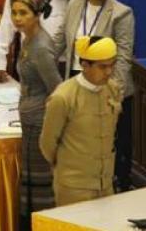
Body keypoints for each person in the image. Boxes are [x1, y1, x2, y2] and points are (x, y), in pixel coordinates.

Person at [53, 0, 135, 191]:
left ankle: (117, 186)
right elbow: (60, 39)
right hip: (77, 81)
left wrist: (113, 94)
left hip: (108, 88)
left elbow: (123, 58)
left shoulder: (121, 13)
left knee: (111, 144)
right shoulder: (75, 3)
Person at [40, 36, 123, 206]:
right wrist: (66, 167)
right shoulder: (63, 97)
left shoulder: (112, 89)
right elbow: (47, 144)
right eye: (102, 67)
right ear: (84, 65)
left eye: (112, 65)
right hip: (73, 187)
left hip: (106, 184)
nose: (109, 72)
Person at [10, 0, 62, 231]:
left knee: (42, 186)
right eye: (14, 13)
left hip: (41, 123)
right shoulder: (27, 38)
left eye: (23, 13)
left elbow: (57, 90)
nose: (17, 18)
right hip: (30, 120)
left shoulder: (41, 47)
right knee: (31, 184)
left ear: (36, 14)